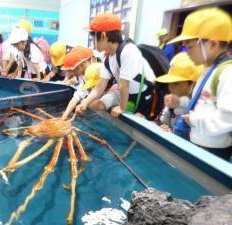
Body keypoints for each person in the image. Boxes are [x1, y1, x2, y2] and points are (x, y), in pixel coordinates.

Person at [169, 7, 232, 160]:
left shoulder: (226, 73)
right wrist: (180, 103)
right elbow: (199, 103)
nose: (186, 52)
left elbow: (228, 118)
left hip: (213, 150)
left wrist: (195, 120)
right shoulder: (206, 70)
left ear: (212, 44)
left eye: (189, 47)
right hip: (198, 142)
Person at [76, 12, 156, 119]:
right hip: (129, 94)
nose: (93, 42)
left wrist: (122, 108)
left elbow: (124, 84)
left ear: (103, 36)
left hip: (144, 95)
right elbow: (100, 86)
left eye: (93, 38)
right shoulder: (109, 58)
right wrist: (85, 102)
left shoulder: (128, 51)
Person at [155, 52, 202, 132]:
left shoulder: (201, 106)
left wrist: (178, 102)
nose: (171, 87)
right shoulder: (171, 102)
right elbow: (162, 122)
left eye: (176, 83)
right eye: (169, 83)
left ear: (192, 83)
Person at [61, 46, 97, 120]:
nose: (72, 74)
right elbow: (77, 95)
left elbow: (99, 93)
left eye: (72, 70)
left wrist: (86, 102)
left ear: (81, 65)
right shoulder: (85, 74)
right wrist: (65, 114)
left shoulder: (97, 72)